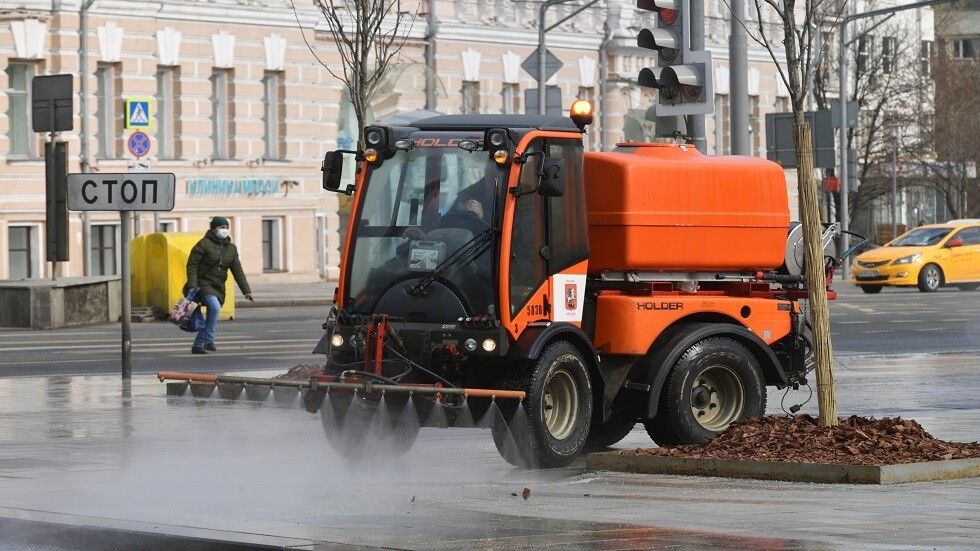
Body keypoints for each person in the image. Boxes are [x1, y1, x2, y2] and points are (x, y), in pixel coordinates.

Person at [185, 216, 253, 354]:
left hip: (218, 286)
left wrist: (247, 291)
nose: (224, 230)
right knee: (215, 308)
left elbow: (237, 271)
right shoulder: (203, 244)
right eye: (221, 227)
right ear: (213, 229)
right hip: (202, 284)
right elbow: (192, 265)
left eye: (226, 228)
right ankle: (208, 340)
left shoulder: (231, 248)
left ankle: (199, 344)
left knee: (213, 312)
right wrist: (192, 284)